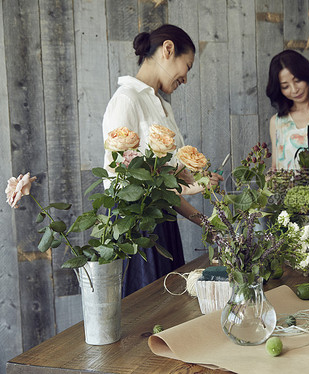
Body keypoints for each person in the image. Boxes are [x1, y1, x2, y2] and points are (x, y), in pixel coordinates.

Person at [102, 24, 223, 297]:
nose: (187, 78)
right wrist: (200, 212)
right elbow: (123, 181)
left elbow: (164, 184)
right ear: (168, 49)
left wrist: (197, 182)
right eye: (188, 67)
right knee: (147, 311)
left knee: (170, 307)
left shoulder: (162, 106)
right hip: (138, 230)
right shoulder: (126, 100)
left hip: (163, 224)